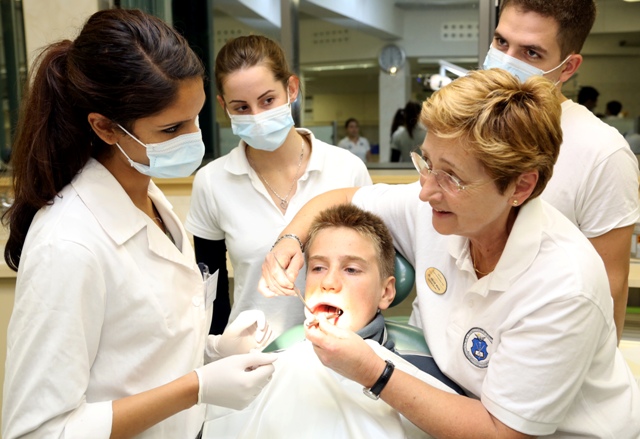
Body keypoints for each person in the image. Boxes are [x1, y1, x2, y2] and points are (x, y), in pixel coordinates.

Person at [261, 69, 640, 438]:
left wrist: (372, 371)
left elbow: (502, 432)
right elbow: (341, 198)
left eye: (451, 177)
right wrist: (290, 239)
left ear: (521, 187)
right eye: (426, 163)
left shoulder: (563, 286)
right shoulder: (437, 209)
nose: (426, 190)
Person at [1, 10, 277, 439]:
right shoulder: (68, 244)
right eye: (171, 128)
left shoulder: (149, 199)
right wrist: (196, 387)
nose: (193, 138)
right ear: (105, 128)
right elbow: (39, 431)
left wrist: (213, 351)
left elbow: (137, 354)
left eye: (196, 117)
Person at [204, 204, 461, 439]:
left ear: (386, 292)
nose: (328, 282)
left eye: (351, 269)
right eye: (318, 268)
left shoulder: (423, 373)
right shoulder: (279, 362)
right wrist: (223, 357)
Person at [185, 35, 371, 338]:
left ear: (291, 89)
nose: (257, 117)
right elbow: (211, 290)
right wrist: (220, 351)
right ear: (223, 106)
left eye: (267, 100)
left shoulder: (346, 169)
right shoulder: (212, 181)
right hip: (251, 352)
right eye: (241, 107)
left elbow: (373, 270)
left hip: (338, 348)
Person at [483, 0, 639, 343]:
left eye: (531, 53)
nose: (506, 61)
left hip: (545, 348)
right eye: (501, 42)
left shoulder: (602, 153)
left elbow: (608, 289)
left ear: (568, 67)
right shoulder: (469, 126)